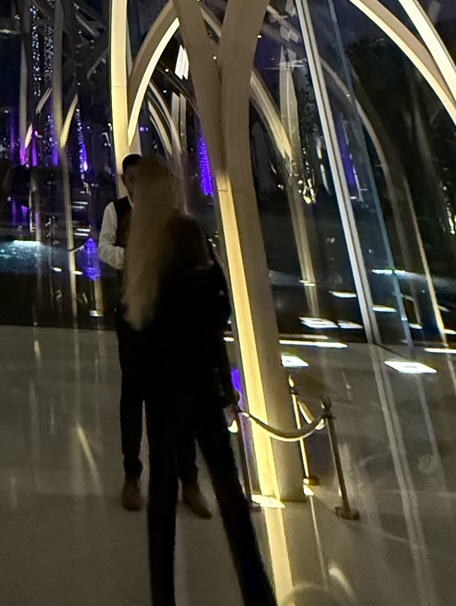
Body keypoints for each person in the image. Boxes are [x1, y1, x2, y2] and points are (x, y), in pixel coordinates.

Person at [124, 156, 276, 606]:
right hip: (198, 383)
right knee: (229, 493)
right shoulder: (185, 233)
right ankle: (256, 592)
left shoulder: (141, 241)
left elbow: (137, 322)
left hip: (163, 390)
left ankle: (163, 595)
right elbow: (214, 306)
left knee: (162, 498)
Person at [100, 155, 210, 517]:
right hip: (135, 322)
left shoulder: (183, 226)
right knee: (134, 397)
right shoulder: (121, 215)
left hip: (173, 327)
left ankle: (188, 479)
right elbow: (106, 250)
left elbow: (202, 278)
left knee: (177, 403)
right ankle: (133, 475)